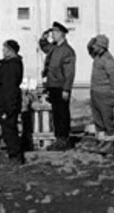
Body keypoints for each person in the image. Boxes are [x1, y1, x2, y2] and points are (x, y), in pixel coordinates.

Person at [39, 21, 76, 151]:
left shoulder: (67, 51)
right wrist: (43, 39)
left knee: (62, 114)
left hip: (61, 86)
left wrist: (66, 89)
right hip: (53, 85)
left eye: (54, 32)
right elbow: (45, 48)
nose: (52, 35)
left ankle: (63, 139)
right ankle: (59, 138)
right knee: (56, 114)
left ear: (62, 34)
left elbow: (69, 73)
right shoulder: (55, 48)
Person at [87, 34, 114, 155]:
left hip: (105, 94)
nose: (93, 48)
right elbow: (89, 48)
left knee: (107, 120)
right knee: (98, 120)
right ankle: (101, 141)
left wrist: (112, 96)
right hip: (95, 92)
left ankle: (110, 144)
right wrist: (92, 40)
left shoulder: (108, 60)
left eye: (96, 46)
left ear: (101, 47)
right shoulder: (97, 56)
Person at [0, 39, 24, 165]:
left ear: (11, 51)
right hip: (5, 101)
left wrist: (7, 107)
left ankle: (15, 156)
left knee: (10, 130)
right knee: (8, 130)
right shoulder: (9, 64)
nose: (3, 51)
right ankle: (12, 154)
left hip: (7, 103)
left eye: (5, 48)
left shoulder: (11, 65)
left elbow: (9, 88)